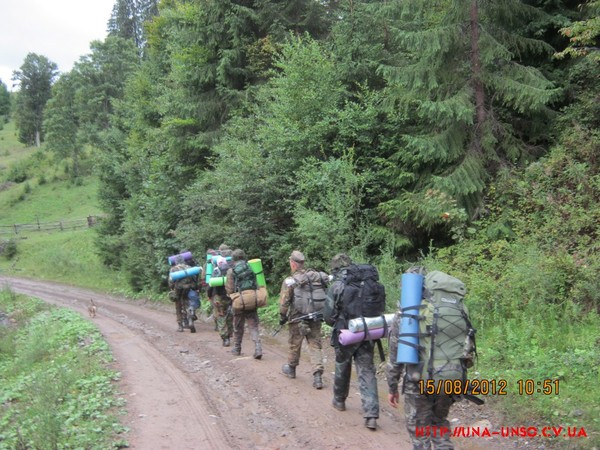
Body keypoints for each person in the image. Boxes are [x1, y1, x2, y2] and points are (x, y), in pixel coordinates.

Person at [386, 267, 473, 450]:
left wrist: (392, 386)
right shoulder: (457, 308)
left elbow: (395, 356)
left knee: (420, 432)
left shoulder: (407, 313)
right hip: (451, 379)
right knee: (439, 423)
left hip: (419, 382)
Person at [327, 253, 379, 430]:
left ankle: (339, 400)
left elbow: (328, 315)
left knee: (342, 365)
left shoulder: (337, 286)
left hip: (345, 332)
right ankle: (371, 414)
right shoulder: (370, 283)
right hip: (368, 331)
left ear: (335, 267)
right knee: (367, 370)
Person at [278, 250, 328, 389]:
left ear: (293, 264)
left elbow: (284, 301)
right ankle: (317, 376)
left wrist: (282, 315)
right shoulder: (315, 277)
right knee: (315, 344)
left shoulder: (291, 280)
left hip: (297, 316)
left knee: (295, 343)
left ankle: (292, 369)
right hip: (315, 315)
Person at [225, 248, 262, 359]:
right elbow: (257, 283)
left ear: (233, 258)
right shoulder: (251, 267)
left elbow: (229, 289)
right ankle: (258, 348)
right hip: (252, 298)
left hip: (239, 300)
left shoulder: (231, 271)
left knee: (238, 325)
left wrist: (231, 297)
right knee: (253, 325)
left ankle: (237, 348)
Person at [207, 244, 234, 346]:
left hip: (218, 297)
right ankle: (230, 333)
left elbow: (210, 286)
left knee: (221, 316)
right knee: (230, 316)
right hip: (230, 296)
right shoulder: (231, 270)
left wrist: (209, 295)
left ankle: (225, 338)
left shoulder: (216, 271)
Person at [168, 255, 200, 333]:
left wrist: (172, 288)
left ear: (176, 261)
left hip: (178, 290)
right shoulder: (189, 268)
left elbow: (171, 282)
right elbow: (195, 279)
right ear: (183, 260)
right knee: (188, 305)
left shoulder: (173, 269)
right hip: (189, 289)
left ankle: (180, 326)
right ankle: (190, 320)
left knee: (178, 307)